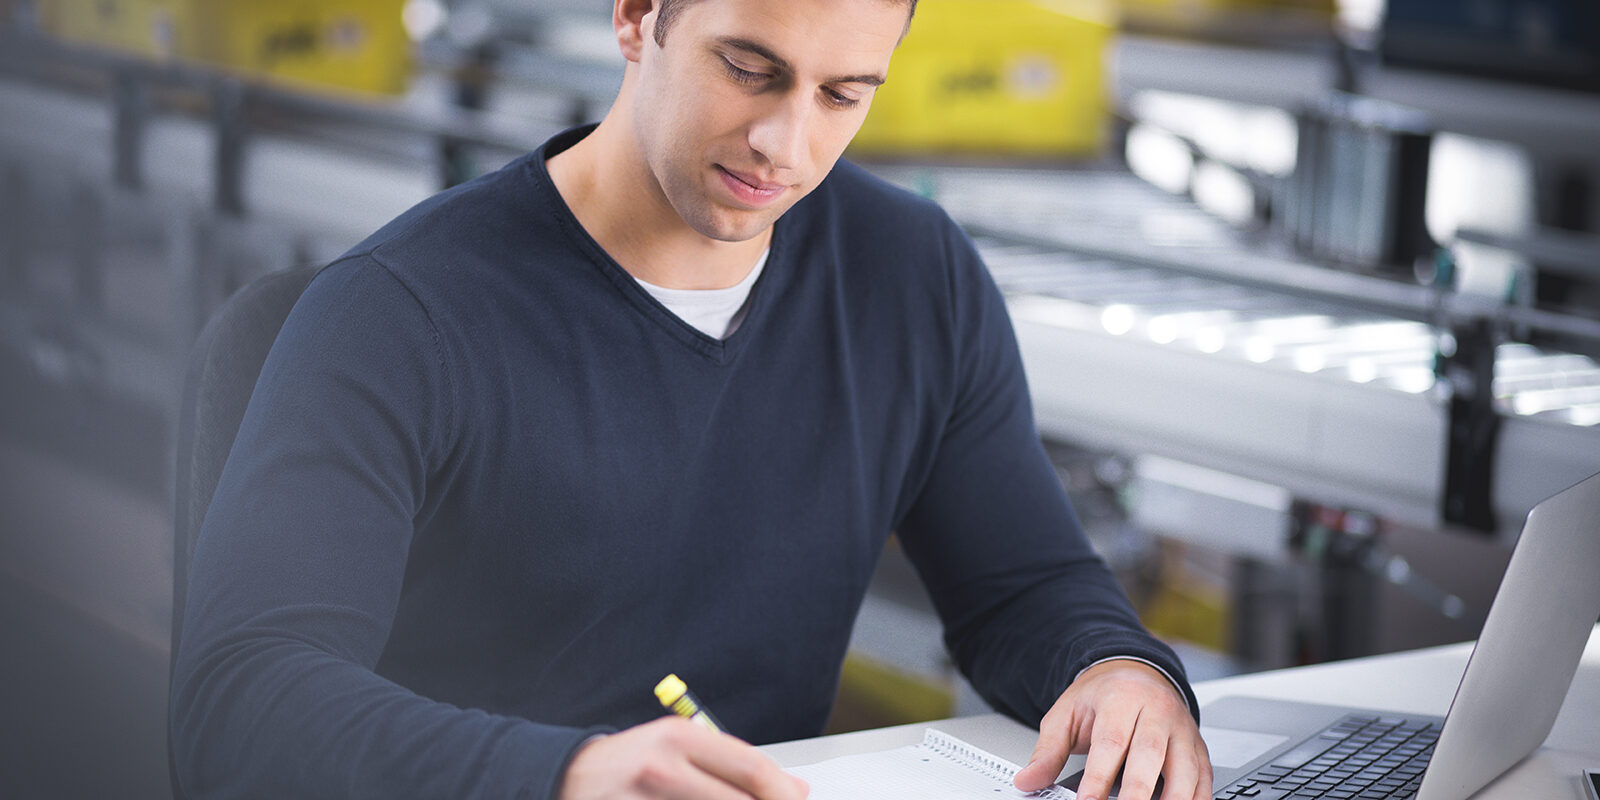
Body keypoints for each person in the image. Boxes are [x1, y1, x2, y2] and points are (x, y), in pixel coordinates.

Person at [169, 0, 1213, 798]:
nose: (785, 143)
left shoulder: (911, 276)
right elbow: (242, 700)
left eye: (843, 93)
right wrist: (570, 774)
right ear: (636, 17)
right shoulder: (398, 315)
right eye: (748, 69)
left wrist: (1120, 668)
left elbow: (1023, 583)